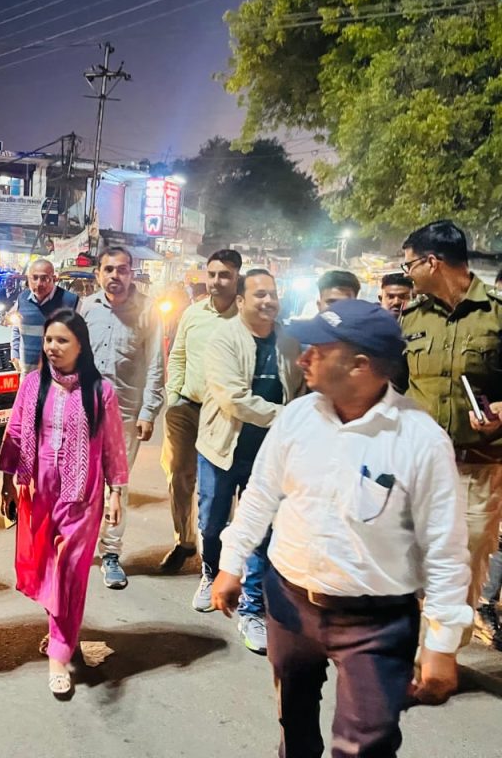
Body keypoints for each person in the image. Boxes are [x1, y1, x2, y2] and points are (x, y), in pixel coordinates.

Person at [212, 299, 472, 758]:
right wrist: (231, 563)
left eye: (318, 349)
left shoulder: (419, 439)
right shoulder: (297, 417)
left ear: (360, 365)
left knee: (366, 744)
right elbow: (260, 494)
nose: (303, 358)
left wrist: (442, 642)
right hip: (289, 604)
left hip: (375, 623)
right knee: (294, 723)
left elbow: (444, 546)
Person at [0, 309, 128, 697]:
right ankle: (60, 629)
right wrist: (7, 482)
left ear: (80, 346)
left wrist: (116, 492)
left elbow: (113, 445)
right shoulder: (33, 385)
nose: (53, 347)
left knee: (70, 572)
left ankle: (59, 652)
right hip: (38, 491)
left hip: (81, 496)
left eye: (62, 341)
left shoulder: (100, 392)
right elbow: (16, 432)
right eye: (49, 340)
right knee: (46, 568)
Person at [400, 219, 502, 647]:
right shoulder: (411, 318)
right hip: (419, 467)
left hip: (478, 469)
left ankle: (440, 658)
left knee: (464, 568)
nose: (407, 273)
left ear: (432, 262)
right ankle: (403, 649)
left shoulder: (497, 315)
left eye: (409, 264)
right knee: (409, 563)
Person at [194, 268, 304, 655]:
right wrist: (288, 417)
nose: (269, 301)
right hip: (223, 448)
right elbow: (233, 399)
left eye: (273, 293)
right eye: (259, 294)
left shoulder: (290, 341)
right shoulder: (223, 338)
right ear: (240, 301)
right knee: (212, 523)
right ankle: (212, 572)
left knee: (263, 531)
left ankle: (252, 608)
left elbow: (301, 389)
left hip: (270, 454)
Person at [80, 246, 165, 589]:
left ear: (132, 273)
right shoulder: (87, 307)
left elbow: (156, 363)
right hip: (85, 410)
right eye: (109, 269)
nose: (115, 276)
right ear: (99, 274)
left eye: (122, 269)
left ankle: (111, 553)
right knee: (82, 483)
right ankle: (81, 545)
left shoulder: (148, 311)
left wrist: (149, 411)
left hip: (125, 413)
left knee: (117, 485)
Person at [160, 249, 241, 575]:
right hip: (186, 408)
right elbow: (177, 355)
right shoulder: (193, 314)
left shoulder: (245, 318)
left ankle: (219, 550)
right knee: (179, 475)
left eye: (225, 275)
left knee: (219, 484)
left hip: (225, 414)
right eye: (213, 274)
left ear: (237, 278)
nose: (217, 281)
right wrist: (174, 396)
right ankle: (184, 541)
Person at [9, 258, 79, 377]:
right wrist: (15, 354)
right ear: (28, 278)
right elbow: (16, 328)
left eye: (44, 278)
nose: (39, 283)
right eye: (34, 278)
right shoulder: (22, 299)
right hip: (28, 373)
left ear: (54, 279)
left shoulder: (71, 301)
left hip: (58, 376)